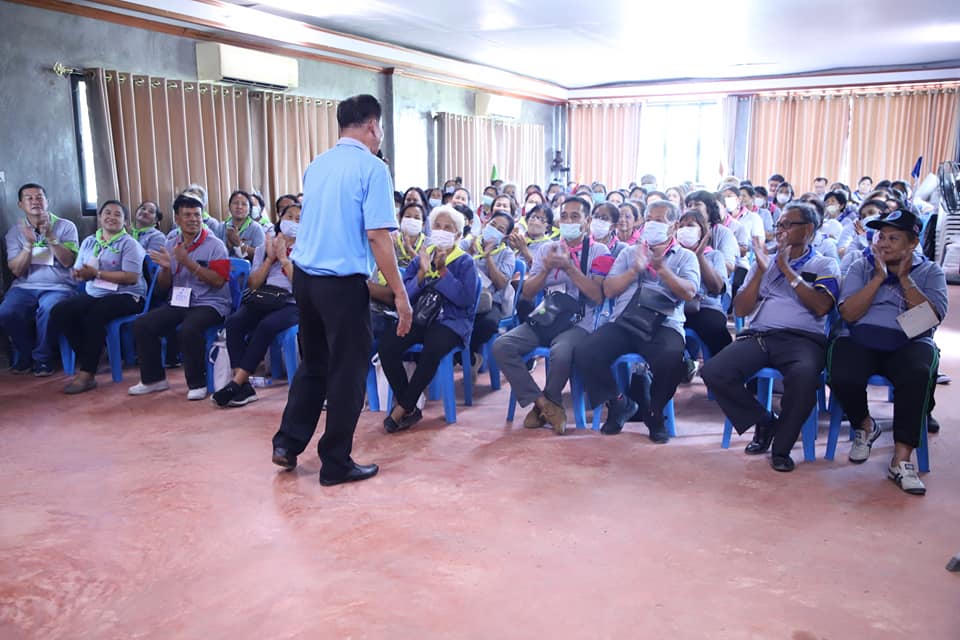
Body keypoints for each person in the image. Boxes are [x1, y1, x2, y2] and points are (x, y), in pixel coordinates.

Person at [271, 94, 412, 487]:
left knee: (314, 363)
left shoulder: (317, 165)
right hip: (341, 284)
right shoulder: (373, 168)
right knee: (348, 371)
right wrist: (400, 294)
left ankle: (287, 443)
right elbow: (378, 236)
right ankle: (335, 462)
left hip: (306, 279)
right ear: (372, 126)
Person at [700, 202, 839, 472]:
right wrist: (762, 271)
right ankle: (765, 421)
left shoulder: (824, 263)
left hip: (803, 341)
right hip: (760, 336)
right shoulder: (764, 261)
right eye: (779, 225)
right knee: (714, 371)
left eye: (788, 225)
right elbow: (741, 309)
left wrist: (787, 270)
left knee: (803, 379)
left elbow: (822, 306)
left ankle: (781, 449)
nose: (781, 231)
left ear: (808, 230)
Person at [828, 210, 947, 495]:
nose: (883, 243)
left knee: (918, 373)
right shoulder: (861, 266)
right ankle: (865, 425)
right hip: (862, 336)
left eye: (893, 238)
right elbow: (849, 314)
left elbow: (929, 320)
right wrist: (878, 278)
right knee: (840, 368)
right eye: (881, 236)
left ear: (913, 244)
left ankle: (901, 460)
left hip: (909, 340)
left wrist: (905, 279)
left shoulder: (930, 272)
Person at [573, 199, 699, 443]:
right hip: (625, 321)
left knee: (672, 358)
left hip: (664, 324)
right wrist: (634, 270)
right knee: (586, 351)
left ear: (673, 226)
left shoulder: (686, 257)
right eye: (649, 220)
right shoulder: (629, 253)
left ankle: (655, 413)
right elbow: (609, 290)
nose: (652, 225)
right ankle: (619, 402)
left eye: (659, 221)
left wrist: (662, 270)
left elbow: (689, 293)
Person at [492, 196, 610, 435]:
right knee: (502, 345)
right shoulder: (547, 248)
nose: (568, 221)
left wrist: (569, 268)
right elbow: (527, 293)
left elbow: (598, 296)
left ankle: (549, 401)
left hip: (581, 321)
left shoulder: (600, 251)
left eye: (575, 217)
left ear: (587, 221)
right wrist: (545, 269)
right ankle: (544, 404)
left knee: (561, 351)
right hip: (548, 315)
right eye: (564, 216)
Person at [379, 205, 478, 433]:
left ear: (457, 234)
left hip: (451, 322)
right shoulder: (422, 257)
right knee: (388, 345)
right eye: (437, 226)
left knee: (433, 347)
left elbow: (465, 300)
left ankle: (402, 408)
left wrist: (443, 272)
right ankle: (410, 407)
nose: (441, 231)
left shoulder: (465, 262)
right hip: (420, 317)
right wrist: (422, 273)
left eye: (448, 228)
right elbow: (404, 294)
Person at [129, 193, 232, 400]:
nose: (193, 219)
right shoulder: (170, 244)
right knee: (143, 324)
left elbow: (219, 281)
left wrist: (188, 263)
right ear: (177, 219)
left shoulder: (215, 245)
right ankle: (154, 380)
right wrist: (166, 269)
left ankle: (197, 383)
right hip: (179, 301)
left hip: (211, 303)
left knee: (189, 329)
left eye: (197, 215)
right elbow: (163, 287)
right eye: (187, 215)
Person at [49, 200, 146, 393]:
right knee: (60, 311)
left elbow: (131, 278)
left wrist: (97, 274)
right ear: (99, 218)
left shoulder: (129, 244)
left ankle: (87, 374)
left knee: (95, 314)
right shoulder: (90, 241)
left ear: (125, 222)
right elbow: (78, 269)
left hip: (127, 295)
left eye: (117, 214)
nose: (111, 217)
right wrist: (78, 274)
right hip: (96, 293)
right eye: (107, 213)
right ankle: (91, 354)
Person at [212, 204, 302, 408]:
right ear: (281, 218)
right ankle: (243, 387)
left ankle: (236, 384)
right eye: (289, 216)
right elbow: (253, 284)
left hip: (293, 302)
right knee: (234, 322)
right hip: (264, 298)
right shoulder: (264, 247)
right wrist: (270, 259)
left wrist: (284, 259)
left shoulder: (307, 248)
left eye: (299, 219)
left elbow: (300, 286)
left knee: (266, 326)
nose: (293, 222)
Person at [0, 183, 79, 376]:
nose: (35, 201)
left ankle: (42, 359)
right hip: (24, 286)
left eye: (39, 197)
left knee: (49, 309)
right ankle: (25, 355)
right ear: (20, 204)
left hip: (59, 286)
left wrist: (50, 237)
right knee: (7, 311)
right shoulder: (14, 233)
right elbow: (16, 270)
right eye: (29, 198)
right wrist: (28, 245)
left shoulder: (66, 226)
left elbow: (68, 261)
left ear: (47, 201)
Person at [465, 211, 517, 371]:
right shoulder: (468, 243)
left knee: (488, 324)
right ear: (485, 224)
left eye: (500, 229)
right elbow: (452, 267)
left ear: (505, 236)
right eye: (492, 225)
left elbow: (501, 283)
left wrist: (488, 257)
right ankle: (469, 358)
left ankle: (470, 356)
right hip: (464, 297)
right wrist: (469, 254)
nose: (494, 230)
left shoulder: (507, 254)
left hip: (491, 301)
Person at [369, 202, 429, 341]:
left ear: (423, 224)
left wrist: (409, 249)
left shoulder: (428, 245)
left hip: (402, 303)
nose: (412, 220)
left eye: (416, 217)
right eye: (408, 216)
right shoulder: (391, 240)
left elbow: (425, 270)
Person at [676, 209, 731, 357]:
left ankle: (720, 368)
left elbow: (717, 288)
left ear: (702, 232)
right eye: (681, 226)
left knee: (716, 330)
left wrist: (699, 256)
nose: (684, 229)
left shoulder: (714, 256)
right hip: (676, 308)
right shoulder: (674, 254)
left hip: (705, 308)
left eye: (690, 225)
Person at [685, 190, 738, 275]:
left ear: (709, 209)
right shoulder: (682, 231)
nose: (692, 208)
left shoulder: (723, 233)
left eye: (697, 204)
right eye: (689, 205)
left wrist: (704, 257)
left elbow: (728, 268)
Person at [219, 190, 266, 261]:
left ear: (249, 209)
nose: (239, 207)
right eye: (235, 203)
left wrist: (239, 244)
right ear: (229, 207)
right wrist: (227, 246)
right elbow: (214, 252)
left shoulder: (256, 228)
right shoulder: (221, 226)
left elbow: (261, 255)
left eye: (244, 204)